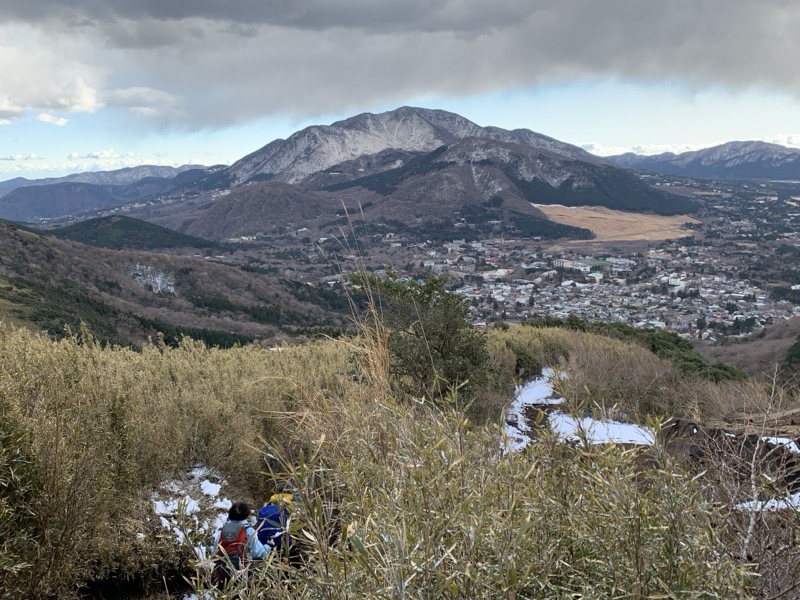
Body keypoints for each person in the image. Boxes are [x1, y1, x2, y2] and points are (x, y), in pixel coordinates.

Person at [211, 501, 269, 585]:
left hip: (223, 573)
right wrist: (268, 547)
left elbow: (214, 552)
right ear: (246, 515)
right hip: (243, 573)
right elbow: (259, 553)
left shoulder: (223, 531)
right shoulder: (249, 530)